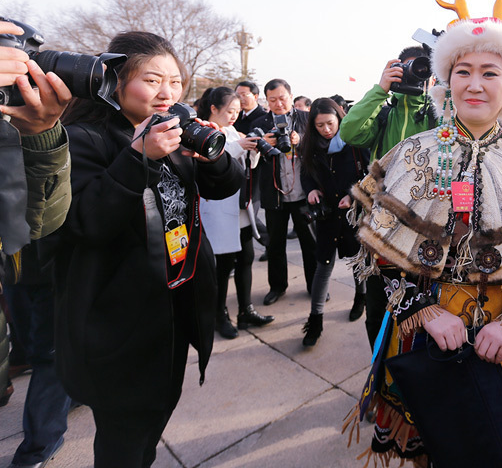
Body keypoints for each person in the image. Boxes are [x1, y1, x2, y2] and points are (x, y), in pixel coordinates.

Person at [343, 17, 502, 467]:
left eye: (489, 72)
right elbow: (380, 247)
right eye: (463, 72)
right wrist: (421, 309)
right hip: (424, 334)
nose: (474, 85)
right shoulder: (410, 153)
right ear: (446, 80)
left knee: (494, 445)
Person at [54, 32, 243, 468]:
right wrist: (139, 155)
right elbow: (83, 224)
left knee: (154, 421)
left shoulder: (171, 132)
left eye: (175, 82)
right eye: (153, 80)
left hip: (174, 306)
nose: (167, 93)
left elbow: (226, 185)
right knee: (123, 438)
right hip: (120, 321)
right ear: (114, 82)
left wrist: (212, 156)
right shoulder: (83, 138)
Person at [0, 19, 73, 468]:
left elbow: (47, 213)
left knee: (51, 351)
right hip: (17, 264)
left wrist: (44, 130)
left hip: (41, 255)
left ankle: (38, 444)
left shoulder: (53, 112)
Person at [339, 45, 434, 350]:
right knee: (378, 310)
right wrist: (380, 90)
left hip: (427, 230)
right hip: (381, 226)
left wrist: (438, 96)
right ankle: (378, 378)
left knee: (422, 311)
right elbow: (351, 132)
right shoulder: (385, 113)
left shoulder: (438, 113)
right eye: (405, 68)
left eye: (422, 68)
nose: (413, 74)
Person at [196, 86, 274, 339]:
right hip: (216, 208)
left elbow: (243, 163)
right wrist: (240, 144)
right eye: (229, 111)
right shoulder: (201, 130)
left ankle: (246, 310)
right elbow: (213, 158)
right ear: (213, 109)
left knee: (247, 258)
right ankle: (220, 315)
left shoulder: (230, 131)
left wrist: (251, 150)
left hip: (240, 206)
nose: (233, 116)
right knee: (223, 266)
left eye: (237, 112)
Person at [298, 97, 369, 347]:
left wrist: (354, 195)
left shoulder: (355, 142)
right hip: (327, 214)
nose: (326, 130)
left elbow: (369, 175)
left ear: (340, 117)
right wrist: (311, 191)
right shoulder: (309, 146)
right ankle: (315, 320)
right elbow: (306, 174)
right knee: (323, 264)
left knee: (357, 260)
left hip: (352, 213)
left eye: (330, 123)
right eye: (320, 126)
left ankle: (360, 297)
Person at [251, 79, 317, 305]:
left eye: (282, 98)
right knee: (275, 244)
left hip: (303, 193)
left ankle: (315, 286)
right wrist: (262, 144)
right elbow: (253, 160)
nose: (278, 103)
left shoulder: (307, 120)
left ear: (291, 96)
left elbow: (321, 148)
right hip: (275, 194)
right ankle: (277, 287)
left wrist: (302, 141)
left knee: (310, 244)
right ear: (266, 101)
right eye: (272, 100)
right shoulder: (260, 124)